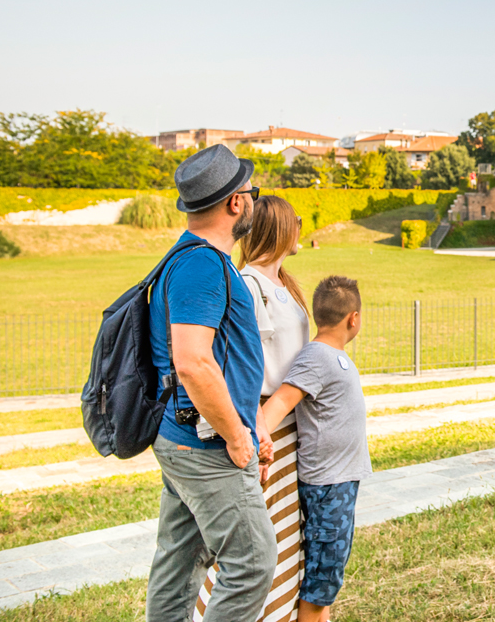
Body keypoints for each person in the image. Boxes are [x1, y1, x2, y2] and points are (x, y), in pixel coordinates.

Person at [145, 145, 277, 622]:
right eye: (251, 194)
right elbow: (194, 364)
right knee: (254, 561)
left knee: (180, 565)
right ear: (236, 203)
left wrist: (252, 423)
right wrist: (236, 436)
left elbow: (224, 358)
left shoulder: (196, 260)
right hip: (204, 447)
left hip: (187, 439)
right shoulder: (202, 266)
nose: (253, 202)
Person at [193, 195, 311, 621]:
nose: (301, 227)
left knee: (282, 531)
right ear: (280, 228)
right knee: (254, 539)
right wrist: (249, 429)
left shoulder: (283, 284)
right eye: (296, 220)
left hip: (288, 425)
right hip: (265, 424)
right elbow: (237, 366)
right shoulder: (247, 285)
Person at [261, 276, 372, 622]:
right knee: (320, 581)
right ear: (353, 318)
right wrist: (257, 442)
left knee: (327, 579)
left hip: (339, 484)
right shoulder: (318, 357)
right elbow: (280, 402)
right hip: (327, 489)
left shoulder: (331, 357)